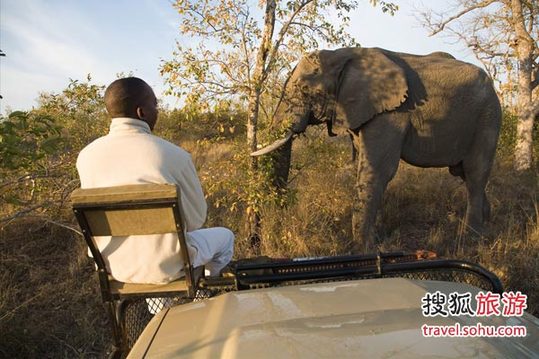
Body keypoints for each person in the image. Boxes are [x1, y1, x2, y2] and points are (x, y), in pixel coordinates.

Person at [76, 77, 234, 284]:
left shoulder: (86, 155)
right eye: (155, 105)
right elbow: (196, 219)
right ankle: (204, 294)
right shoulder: (174, 155)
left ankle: (160, 312)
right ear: (141, 111)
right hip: (168, 266)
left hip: (113, 265)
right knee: (225, 237)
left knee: (152, 250)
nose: (157, 111)